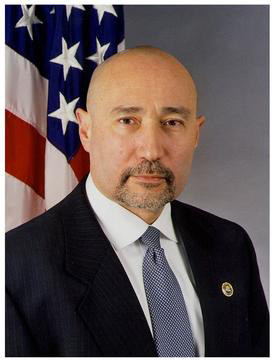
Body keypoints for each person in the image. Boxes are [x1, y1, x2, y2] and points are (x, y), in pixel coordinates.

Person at [6, 46, 269, 357]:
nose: (151, 150)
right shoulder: (16, 267)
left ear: (196, 133)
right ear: (86, 130)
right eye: (128, 120)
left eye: (172, 122)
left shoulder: (229, 243)